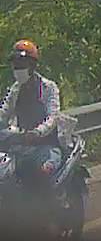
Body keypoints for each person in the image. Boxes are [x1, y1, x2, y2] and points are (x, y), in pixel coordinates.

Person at [0, 39, 64, 191]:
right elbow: (4, 112)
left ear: (32, 65)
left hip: (46, 145)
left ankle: (47, 202)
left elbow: (53, 117)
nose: (18, 68)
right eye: (16, 64)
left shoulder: (48, 87)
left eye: (22, 64)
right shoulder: (15, 89)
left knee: (44, 170)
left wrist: (37, 132)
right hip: (21, 145)